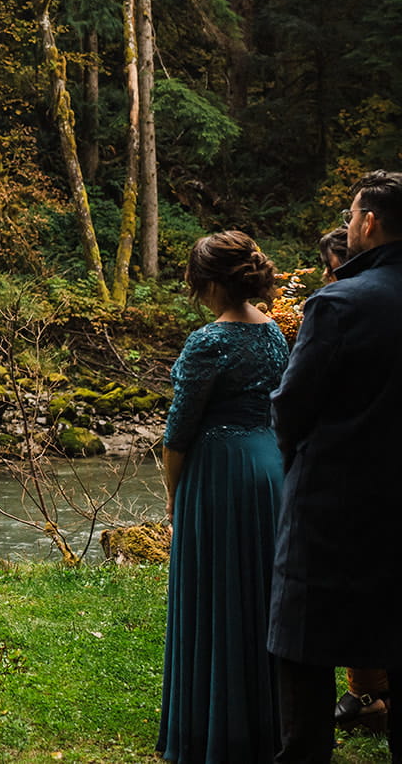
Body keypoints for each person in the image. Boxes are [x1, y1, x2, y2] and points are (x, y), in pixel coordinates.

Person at [272, 171, 402, 763]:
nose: (347, 225)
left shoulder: (339, 302)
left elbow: (292, 404)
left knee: (305, 645)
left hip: (333, 502)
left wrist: (294, 459)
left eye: (351, 216)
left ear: (369, 222)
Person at [156, 231, 288, 763]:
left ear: (207, 283)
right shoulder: (276, 333)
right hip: (269, 470)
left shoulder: (208, 341)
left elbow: (179, 430)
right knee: (259, 596)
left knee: (214, 593)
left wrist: (173, 494)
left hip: (218, 474)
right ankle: (268, 725)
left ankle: (210, 732)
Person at [311, 227, 392, 732]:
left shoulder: (343, 304)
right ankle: (366, 688)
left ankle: (369, 692)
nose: (326, 273)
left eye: (332, 263)